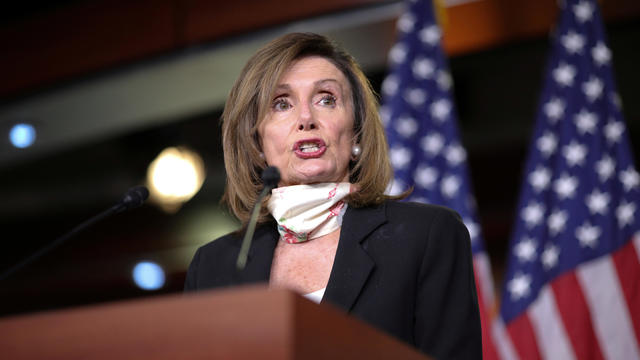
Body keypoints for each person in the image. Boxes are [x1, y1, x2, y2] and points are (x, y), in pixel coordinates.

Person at [184, 32, 482, 359]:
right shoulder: (213, 266)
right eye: (281, 103)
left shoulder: (425, 236)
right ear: (256, 145)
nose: (306, 119)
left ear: (356, 132)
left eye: (326, 99)